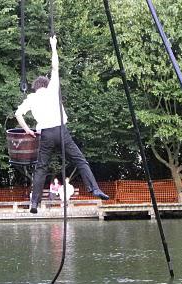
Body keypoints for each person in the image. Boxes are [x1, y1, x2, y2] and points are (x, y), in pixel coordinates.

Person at [15, 35, 109, 214]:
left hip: (46, 135)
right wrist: (53, 46)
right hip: (61, 131)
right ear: (47, 84)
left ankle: (34, 203)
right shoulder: (52, 90)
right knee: (80, 160)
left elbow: (18, 114)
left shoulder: (32, 98)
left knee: (41, 168)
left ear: (36, 87)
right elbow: (55, 66)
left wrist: (28, 130)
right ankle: (94, 188)